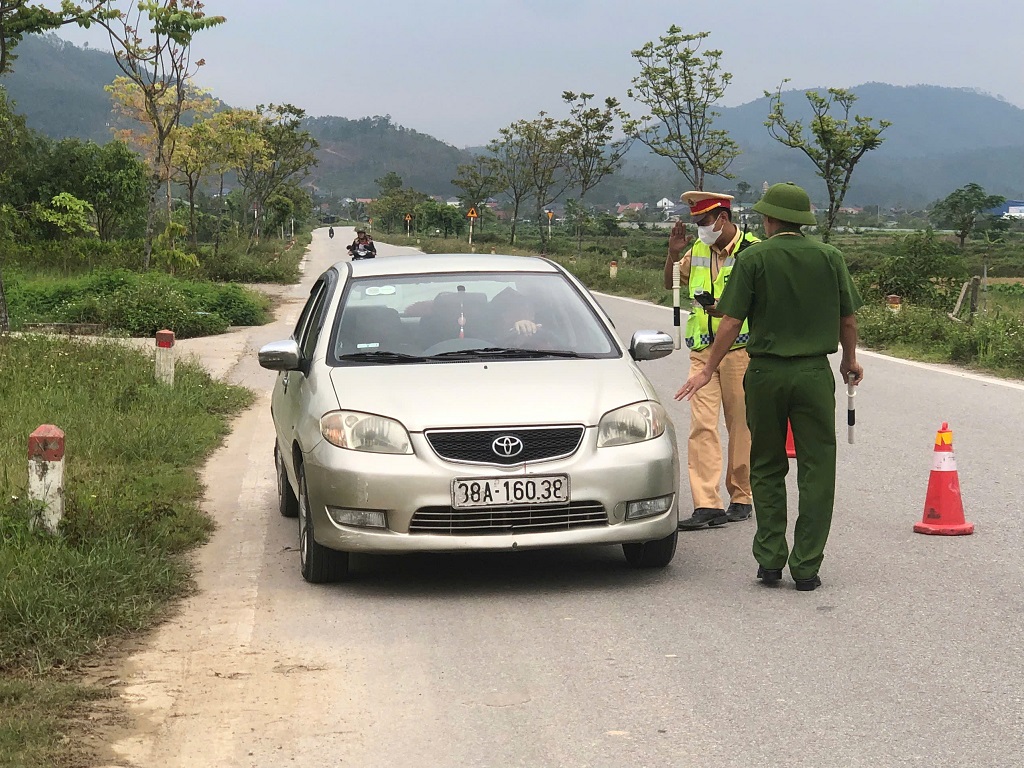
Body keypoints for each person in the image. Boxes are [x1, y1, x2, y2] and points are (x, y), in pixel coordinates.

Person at [675, 182, 864, 592]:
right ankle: (808, 566)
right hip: (814, 373)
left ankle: (770, 560)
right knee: (817, 467)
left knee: (766, 464)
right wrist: (849, 360)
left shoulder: (754, 257)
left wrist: (708, 368)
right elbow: (847, 319)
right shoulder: (830, 257)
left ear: (771, 219)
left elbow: (730, 321)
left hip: (764, 373)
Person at [664, 191, 759, 531]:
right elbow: (671, 284)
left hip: (741, 349)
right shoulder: (698, 250)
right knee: (701, 425)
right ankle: (707, 504)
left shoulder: (754, 250)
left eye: (704, 222)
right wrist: (673, 255)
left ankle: (742, 495)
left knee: (740, 424)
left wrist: (729, 309)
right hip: (702, 348)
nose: (700, 229)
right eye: (696, 223)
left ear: (722, 217)